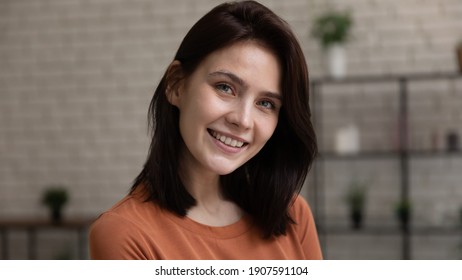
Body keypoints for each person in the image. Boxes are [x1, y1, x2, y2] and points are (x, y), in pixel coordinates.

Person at [89, 0, 322, 260]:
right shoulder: (125, 234)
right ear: (177, 85)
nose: (243, 120)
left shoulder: (293, 216)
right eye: (225, 87)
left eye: (266, 103)